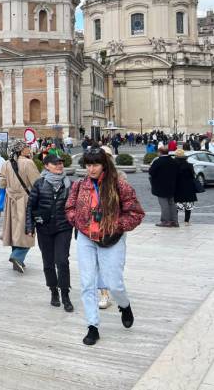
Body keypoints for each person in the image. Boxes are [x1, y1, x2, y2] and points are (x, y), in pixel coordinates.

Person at [66, 148, 144, 346]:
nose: (91, 169)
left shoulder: (119, 186)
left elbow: (135, 213)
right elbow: (69, 208)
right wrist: (79, 222)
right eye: (88, 165)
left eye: (95, 164)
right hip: (86, 237)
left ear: (104, 165)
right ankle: (92, 326)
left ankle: (124, 305)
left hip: (112, 239)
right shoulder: (78, 186)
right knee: (87, 282)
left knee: (114, 282)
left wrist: (115, 226)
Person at [26, 154, 74, 312]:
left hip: (63, 227)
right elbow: (30, 207)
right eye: (55, 163)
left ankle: (65, 294)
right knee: (48, 262)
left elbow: (75, 207)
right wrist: (30, 227)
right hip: (44, 228)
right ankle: (53, 291)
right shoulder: (39, 184)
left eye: (60, 163)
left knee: (62, 261)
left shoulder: (69, 184)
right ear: (46, 166)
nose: (59, 165)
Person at [0, 141, 40, 273]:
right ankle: (17, 256)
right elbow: (37, 184)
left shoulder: (6, 164)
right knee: (28, 230)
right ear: (21, 150)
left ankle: (18, 261)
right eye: (27, 147)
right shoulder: (28, 163)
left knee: (14, 230)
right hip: (25, 200)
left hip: (10, 200)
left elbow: (1, 184)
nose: (29, 148)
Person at [149, 145, 179, 227]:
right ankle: (174, 221)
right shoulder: (173, 161)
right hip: (172, 186)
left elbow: (151, 172)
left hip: (161, 186)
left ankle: (166, 221)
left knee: (164, 204)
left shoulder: (158, 161)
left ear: (160, 152)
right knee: (172, 204)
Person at [173, 150, 197, 224]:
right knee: (188, 205)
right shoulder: (189, 165)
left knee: (176, 205)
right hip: (188, 187)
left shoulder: (173, 165)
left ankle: (175, 220)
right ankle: (186, 221)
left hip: (177, 187)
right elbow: (193, 176)